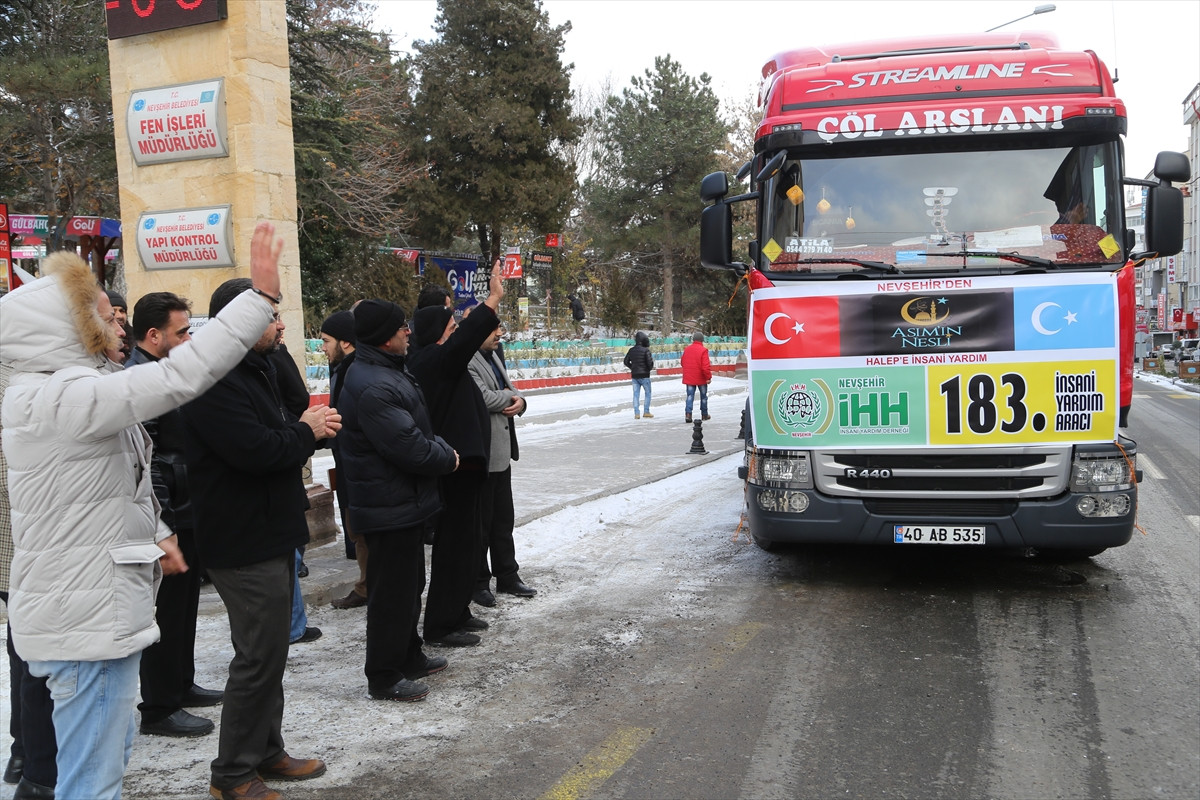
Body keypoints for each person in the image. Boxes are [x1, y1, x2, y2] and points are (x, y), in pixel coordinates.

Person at [0, 222, 287, 800]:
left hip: (87, 613)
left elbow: (108, 487)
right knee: (92, 780)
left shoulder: (62, 392)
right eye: (103, 316)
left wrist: (154, 530)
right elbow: (182, 375)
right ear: (67, 328)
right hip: (85, 624)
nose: (119, 325)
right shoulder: (60, 396)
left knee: (100, 764)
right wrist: (257, 300)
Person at [179, 276, 339, 800]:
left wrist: (300, 426)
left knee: (270, 653)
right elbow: (257, 449)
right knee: (256, 657)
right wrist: (306, 430)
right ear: (239, 323)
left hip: (269, 529)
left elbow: (284, 420)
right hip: (242, 538)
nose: (281, 325)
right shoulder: (214, 379)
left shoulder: (253, 367)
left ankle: (266, 751)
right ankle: (231, 774)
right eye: (270, 317)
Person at [338, 300, 459, 701]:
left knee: (408, 586)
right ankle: (384, 674)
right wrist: (447, 456)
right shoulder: (373, 383)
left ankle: (408, 655)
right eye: (400, 327)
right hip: (386, 505)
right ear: (384, 337)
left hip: (402, 502)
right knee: (391, 594)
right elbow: (410, 447)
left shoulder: (387, 369)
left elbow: (418, 430)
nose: (408, 332)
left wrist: (439, 447)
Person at [125, 292, 225, 740]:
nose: (189, 339)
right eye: (182, 332)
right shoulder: (140, 379)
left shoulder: (164, 372)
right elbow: (144, 463)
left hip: (189, 506)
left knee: (184, 609)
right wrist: (160, 524)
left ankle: (182, 683)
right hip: (170, 514)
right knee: (165, 612)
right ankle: (160, 706)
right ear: (154, 335)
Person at [407, 265, 504, 648]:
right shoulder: (431, 361)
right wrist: (492, 299)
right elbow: (465, 340)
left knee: (468, 545)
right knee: (453, 548)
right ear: (436, 334)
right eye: (449, 329)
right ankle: (441, 624)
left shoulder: (442, 360)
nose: (454, 335)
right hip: (455, 470)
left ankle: (458, 610)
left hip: (469, 468)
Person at [1, 360, 58, 800]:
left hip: (22, 530)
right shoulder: (23, 376)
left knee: (23, 644)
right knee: (31, 648)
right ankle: (30, 756)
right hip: (22, 529)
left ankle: (23, 751)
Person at [468, 325, 537, 605]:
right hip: (482, 455)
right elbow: (482, 397)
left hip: (501, 453)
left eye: (499, 329)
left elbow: (512, 391)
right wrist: (511, 397)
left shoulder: (494, 354)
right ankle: (479, 582)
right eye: (492, 330)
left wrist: (521, 402)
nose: (499, 335)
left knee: (503, 520)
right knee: (481, 524)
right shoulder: (467, 359)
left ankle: (507, 575)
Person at [320, 311, 369, 610]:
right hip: (347, 464)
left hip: (359, 468)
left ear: (346, 342)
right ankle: (366, 585)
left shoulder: (357, 373)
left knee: (363, 532)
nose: (322, 348)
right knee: (356, 531)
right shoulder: (341, 367)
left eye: (326, 341)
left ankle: (368, 587)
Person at [680, 331, 713, 424]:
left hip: (689, 377)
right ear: (702, 340)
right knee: (703, 396)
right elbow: (705, 366)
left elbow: (682, 362)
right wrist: (708, 377)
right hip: (701, 378)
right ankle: (704, 414)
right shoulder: (703, 350)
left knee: (690, 396)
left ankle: (688, 414)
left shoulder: (687, 349)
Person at [623, 331, 654, 419]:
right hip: (645, 376)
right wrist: (648, 369)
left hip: (635, 376)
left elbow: (626, 361)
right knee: (648, 393)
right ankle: (646, 412)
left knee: (636, 394)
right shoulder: (646, 350)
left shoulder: (631, 350)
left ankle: (637, 413)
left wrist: (632, 367)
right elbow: (650, 363)